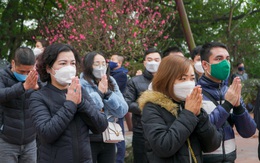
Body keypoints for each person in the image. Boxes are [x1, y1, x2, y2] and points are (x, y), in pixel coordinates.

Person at [29, 43, 108, 162]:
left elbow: (101, 125)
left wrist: (81, 103)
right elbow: (46, 134)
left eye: (72, 63)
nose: (69, 67)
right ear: (48, 68)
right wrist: (70, 104)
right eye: (63, 63)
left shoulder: (81, 92)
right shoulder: (39, 97)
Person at [138, 55, 222, 162]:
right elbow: (163, 147)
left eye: (192, 78)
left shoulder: (191, 105)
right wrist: (188, 114)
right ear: (167, 79)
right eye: (182, 78)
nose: (188, 83)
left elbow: (212, 145)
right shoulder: (152, 107)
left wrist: (200, 115)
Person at [198, 42, 256, 163]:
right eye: (219, 59)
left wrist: (238, 107)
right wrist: (227, 104)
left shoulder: (230, 91)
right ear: (205, 64)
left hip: (230, 158)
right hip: (205, 159)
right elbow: (202, 130)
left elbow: (248, 131)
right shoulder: (196, 93)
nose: (225, 63)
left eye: (227, 59)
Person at [80, 51, 128, 163]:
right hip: (88, 138)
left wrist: (108, 94)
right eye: (96, 64)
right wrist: (99, 93)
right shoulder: (80, 84)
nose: (101, 67)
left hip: (109, 137)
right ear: (88, 65)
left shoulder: (111, 81)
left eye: (103, 63)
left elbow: (123, 110)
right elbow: (87, 109)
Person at [0, 47, 41, 163]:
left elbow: (47, 94)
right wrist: (23, 87)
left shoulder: (35, 76)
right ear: (13, 63)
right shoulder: (2, 76)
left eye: (29, 71)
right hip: (6, 140)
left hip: (30, 140)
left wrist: (38, 88)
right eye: (21, 71)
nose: (26, 75)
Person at [124, 47, 162, 163]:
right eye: (149, 59)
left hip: (163, 130)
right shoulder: (134, 81)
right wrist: (147, 108)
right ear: (144, 62)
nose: (153, 62)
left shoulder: (167, 81)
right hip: (141, 131)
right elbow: (127, 103)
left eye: (156, 60)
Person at [109, 54, 129, 163]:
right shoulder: (113, 73)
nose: (110, 61)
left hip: (116, 109)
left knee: (118, 137)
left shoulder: (121, 75)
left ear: (119, 63)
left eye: (112, 60)